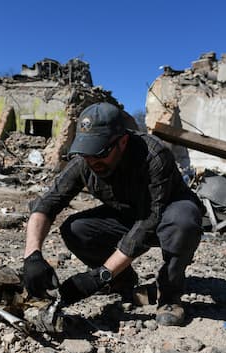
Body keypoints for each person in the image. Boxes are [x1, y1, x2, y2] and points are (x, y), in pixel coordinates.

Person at [22, 102, 203, 326]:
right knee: (76, 229)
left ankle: (170, 295)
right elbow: (47, 204)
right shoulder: (85, 161)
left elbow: (149, 221)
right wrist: (32, 256)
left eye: (100, 152)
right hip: (127, 214)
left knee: (183, 222)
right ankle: (121, 280)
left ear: (122, 142)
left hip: (166, 212)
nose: (92, 161)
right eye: (87, 153)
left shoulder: (155, 156)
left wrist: (101, 274)